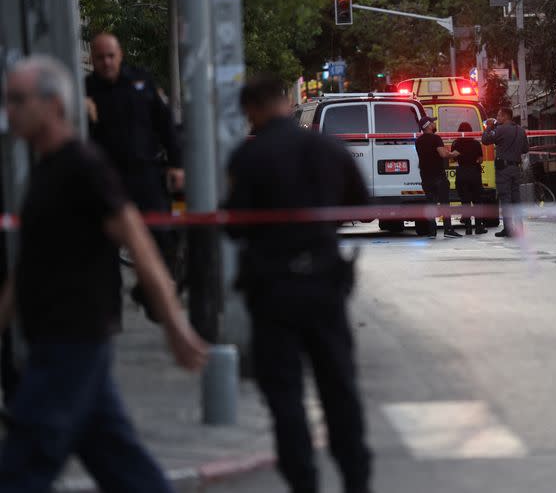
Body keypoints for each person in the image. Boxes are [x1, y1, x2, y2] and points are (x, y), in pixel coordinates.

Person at [0, 55, 207, 492]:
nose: (9, 110)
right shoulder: (45, 172)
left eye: (18, 100)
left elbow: (139, 244)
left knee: (22, 469)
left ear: (53, 105)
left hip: (71, 342)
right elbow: (27, 267)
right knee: (124, 467)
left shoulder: (83, 166)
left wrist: (173, 324)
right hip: (60, 344)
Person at [225, 74, 373, 493]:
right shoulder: (329, 148)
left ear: (252, 109)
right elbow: (361, 205)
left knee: (286, 398)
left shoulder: (248, 159)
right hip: (324, 286)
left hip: (273, 292)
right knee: (339, 390)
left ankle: (304, 482)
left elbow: (235, 226)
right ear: (287, 102)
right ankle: (356, 481)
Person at [84, 33, 184, 318]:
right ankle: (110, 311)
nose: (106, 62)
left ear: (120, 55)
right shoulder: (87, 91)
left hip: (146, 175)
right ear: (92, 58)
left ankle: (149, 295)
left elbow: (165, 124)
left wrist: (177, 165)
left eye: (111, 56)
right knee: (105, 250)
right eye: (100, 57)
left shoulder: (141, 82)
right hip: (107, 180)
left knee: (163, 238)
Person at [482, 107, 529, 237]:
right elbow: (525, 149)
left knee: (505, 199)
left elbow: (485, 140)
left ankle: (508, 229)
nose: (497, 118)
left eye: (498, 115)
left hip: (503, 169)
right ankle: (520, 229)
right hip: (516, 168)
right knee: (516, 199)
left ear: (504, 116)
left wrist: (489, 126)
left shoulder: (500, 129)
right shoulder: (520, 130)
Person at [415, 116, 461, 239]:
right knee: (445, 203)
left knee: (431, 204)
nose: (435, 124)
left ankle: (432, 231)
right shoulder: (436, 138)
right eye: (433, 123)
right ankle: (448, 229)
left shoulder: (418, 141)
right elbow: (443, 154)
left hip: (425, 176)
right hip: (438, 176)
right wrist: (453, 154)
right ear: (428, 126)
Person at [452, 122, 486, 235]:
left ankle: (468, 228)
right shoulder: (476, 144)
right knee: (477, 201)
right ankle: (478, 227)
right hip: (474, 173)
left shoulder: (456, 143)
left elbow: (453, 159)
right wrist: (474, 161)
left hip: (462, 173)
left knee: (465, 202)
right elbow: (481, 160)